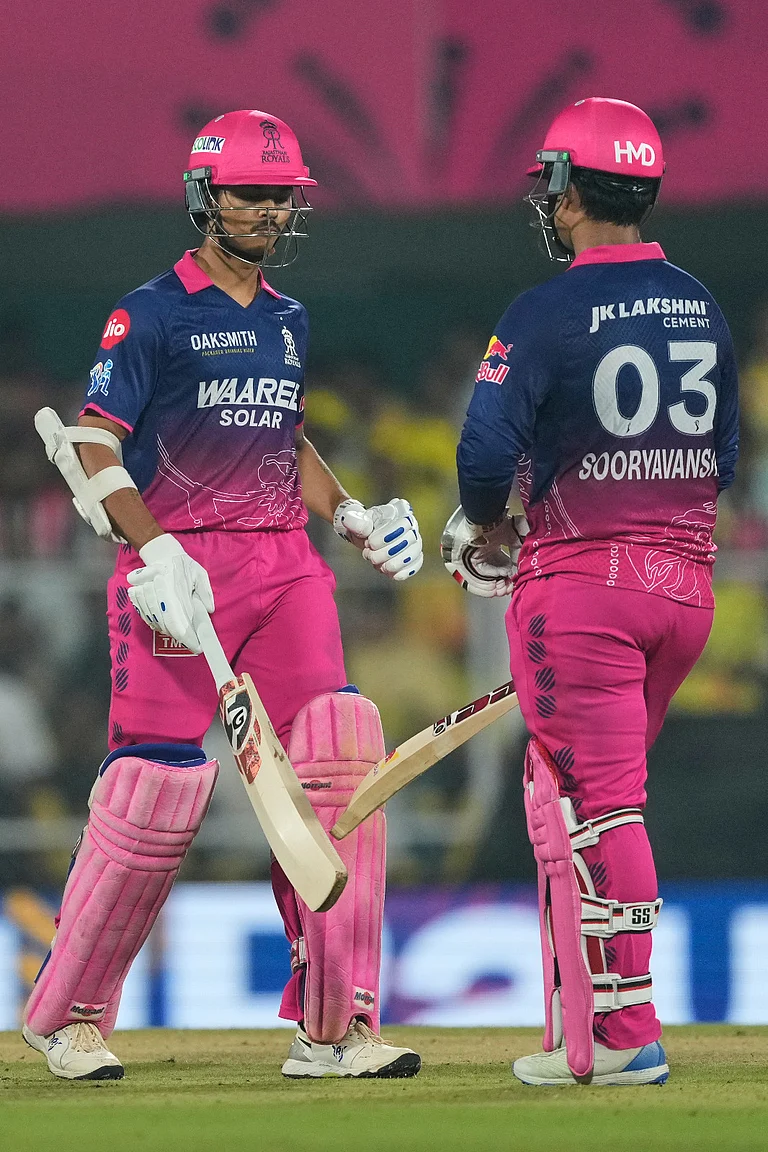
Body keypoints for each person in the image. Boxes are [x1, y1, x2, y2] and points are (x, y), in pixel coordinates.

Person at [23, 109, 423, 1081]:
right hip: (178, 577)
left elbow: (285, 439)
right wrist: (154, 552)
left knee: (339, 756)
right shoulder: (150, 312)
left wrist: (350, 514)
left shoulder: (287, 318)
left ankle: (337, 1028)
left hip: (285, 566)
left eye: (283, 195)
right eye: (253, 192)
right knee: (159, 790)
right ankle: (65, 1016)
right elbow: (92, 443)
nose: (272, 211)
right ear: (207, 196)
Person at [448, 97, 738, 1085]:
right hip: (685, 592)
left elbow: (484, 455)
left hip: (585, 598)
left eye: (551, 183)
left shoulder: (543, 311)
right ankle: (580, 1024)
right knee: (576, 796)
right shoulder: (699, 302)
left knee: (604, 808)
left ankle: (623, 1037)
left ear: (569, 192)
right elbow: (723, 457)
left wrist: (494, 521)